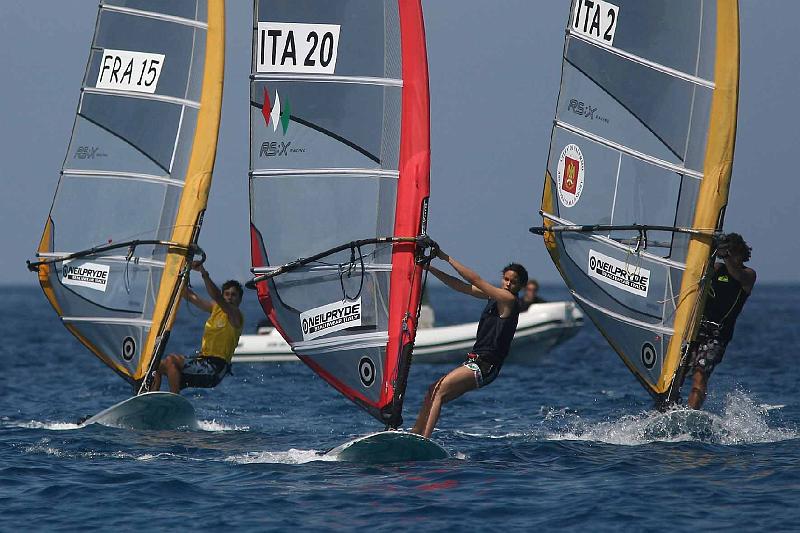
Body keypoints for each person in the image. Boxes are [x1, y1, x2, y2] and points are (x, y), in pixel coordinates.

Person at [411, 249, 527, 438]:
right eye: (506, 279)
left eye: (513, 282)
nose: (508, 284)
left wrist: (444, 257)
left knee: (438, 391)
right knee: (433, 390)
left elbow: (476, 280)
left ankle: (424, 439)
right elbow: (459, 286)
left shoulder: (509, 300)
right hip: (475, 362)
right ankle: (415, 433)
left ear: (520, 285)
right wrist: (429, 268)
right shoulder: (494, 297)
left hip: (486, 365)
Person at [683, 233, 756, 409]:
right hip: (696, 329)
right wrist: (709, 251)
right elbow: (698, 270)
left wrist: (726, 254)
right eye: (726, 252)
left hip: (717, 336)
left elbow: (736, 273)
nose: (729, 257)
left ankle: (691, 413)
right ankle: (668, 408)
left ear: (740, 253)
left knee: (700, 375)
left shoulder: (748, 275)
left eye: (732, 253)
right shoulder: (716, 269)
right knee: (677, 371)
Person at [151, 262, 244, 393]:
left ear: (240, 299)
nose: (229, 297)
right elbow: (189, 296)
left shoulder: (236, 316)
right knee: (156, 366)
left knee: (172, 360)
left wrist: (203, 273)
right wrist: (177, 273)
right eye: (227, 294)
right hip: (202, 362)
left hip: (215, 369)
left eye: (234, 295)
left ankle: (174, 402)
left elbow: (217, 296)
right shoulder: (215, 309)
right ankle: (150, 396)